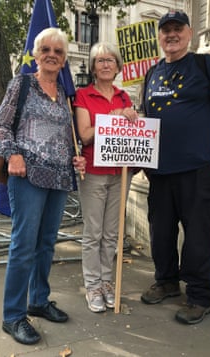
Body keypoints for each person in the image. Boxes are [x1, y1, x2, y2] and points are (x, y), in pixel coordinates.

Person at [140, 11, 210, 324]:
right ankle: (166, 281)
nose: (171, 34)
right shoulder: (151, 74)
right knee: (161, 234)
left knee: (198, 236)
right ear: (159, 36)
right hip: (160, 172)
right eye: (165, 30)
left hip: (198, 170)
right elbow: (146, 119)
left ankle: (199, 296)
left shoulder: (205, 65)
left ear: (189, 32)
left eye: (177, 29)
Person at [0, 27, 86, 345]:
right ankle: (13, 315)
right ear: (36, 54)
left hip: (59, 178)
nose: (51, 55)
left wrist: (77, 158)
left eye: (58, 51)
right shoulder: (22, 84)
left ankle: (39, 300)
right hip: (28, 177)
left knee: (47, 244)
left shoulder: (64, 94)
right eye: (45, 49)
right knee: (24, 245)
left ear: (64, 59)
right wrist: (12, 154)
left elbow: (66, 136)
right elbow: (1, 125)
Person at [73, 42, 138, 313]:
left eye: (110, 60)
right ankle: (92, 285)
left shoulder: (125, 97)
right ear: (93, 67)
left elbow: (135, 132)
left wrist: (131, 118)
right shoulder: (83, 96)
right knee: (93, 233)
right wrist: (111, 118)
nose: (106, 64)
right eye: (100, 60)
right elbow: (85, 134)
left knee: (112, 233)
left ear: (118, 65)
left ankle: (107, 282)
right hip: (94, 173)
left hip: (120, 173)